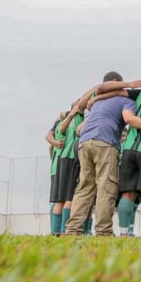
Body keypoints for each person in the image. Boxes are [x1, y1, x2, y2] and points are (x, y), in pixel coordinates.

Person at [65, 72, 141, 236]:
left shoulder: (97, 103)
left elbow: (79, 129)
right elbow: (128, 118)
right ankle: (103, 231)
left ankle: (72, 229)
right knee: (106, 187)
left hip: (84, 142)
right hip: (105, 142)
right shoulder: (127, 100)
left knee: (84, 188)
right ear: (117, 83)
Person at [90, 84, 141, 238]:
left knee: (127, 193)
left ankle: (124, 233)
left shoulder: (137, 96)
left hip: (128, 149)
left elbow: (114, 91)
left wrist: (96, 98)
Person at [55, 100, 86, 233]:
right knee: (69, 197)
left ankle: (55, 231)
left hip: (62, 159)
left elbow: (61, 130)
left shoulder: (68, 117)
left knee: (60, 198)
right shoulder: (81, 118)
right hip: (73, 158)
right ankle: (64, 230)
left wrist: (68, 115)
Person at [46, 111, 66, 236]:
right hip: (62, 165)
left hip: (55, 166)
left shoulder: (58, 125)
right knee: (60, 199)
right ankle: (57, 230)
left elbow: (49, 145)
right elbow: (48, 138)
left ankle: (54, 230)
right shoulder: (63, 124)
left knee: (55, 199)